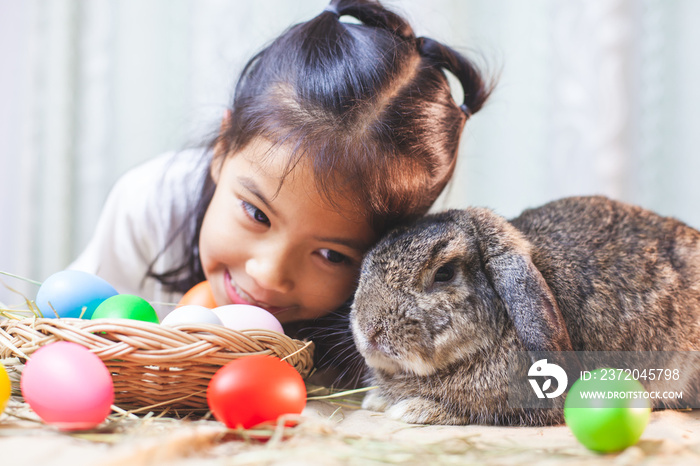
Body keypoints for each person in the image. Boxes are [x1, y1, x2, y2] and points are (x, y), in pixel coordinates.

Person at [70, 0, 495, 386]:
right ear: (222, 147)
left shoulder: (394, 321)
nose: (268, 275)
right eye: (256, 214)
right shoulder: (153, 206)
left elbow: (533, 382)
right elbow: (74, 339)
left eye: (332, 256)